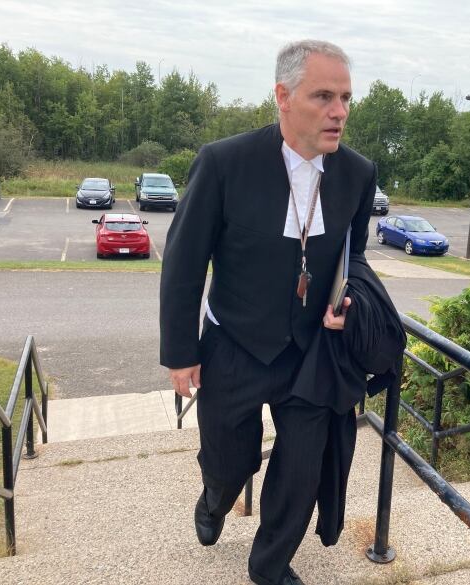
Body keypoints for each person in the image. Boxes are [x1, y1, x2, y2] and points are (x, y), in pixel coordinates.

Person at [160, 40, 378, 585]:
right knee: (230, 460)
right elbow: (184, 265)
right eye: (324, 96)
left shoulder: (356, 174)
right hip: (234, 342)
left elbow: (356, 258)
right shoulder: (224, 163)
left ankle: (270, 566)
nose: (340, 111)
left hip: (311, 352)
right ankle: (214, 497)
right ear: (282, 96)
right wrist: (181, 353)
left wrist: (348, 305)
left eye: (347, 98)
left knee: (302, 468)